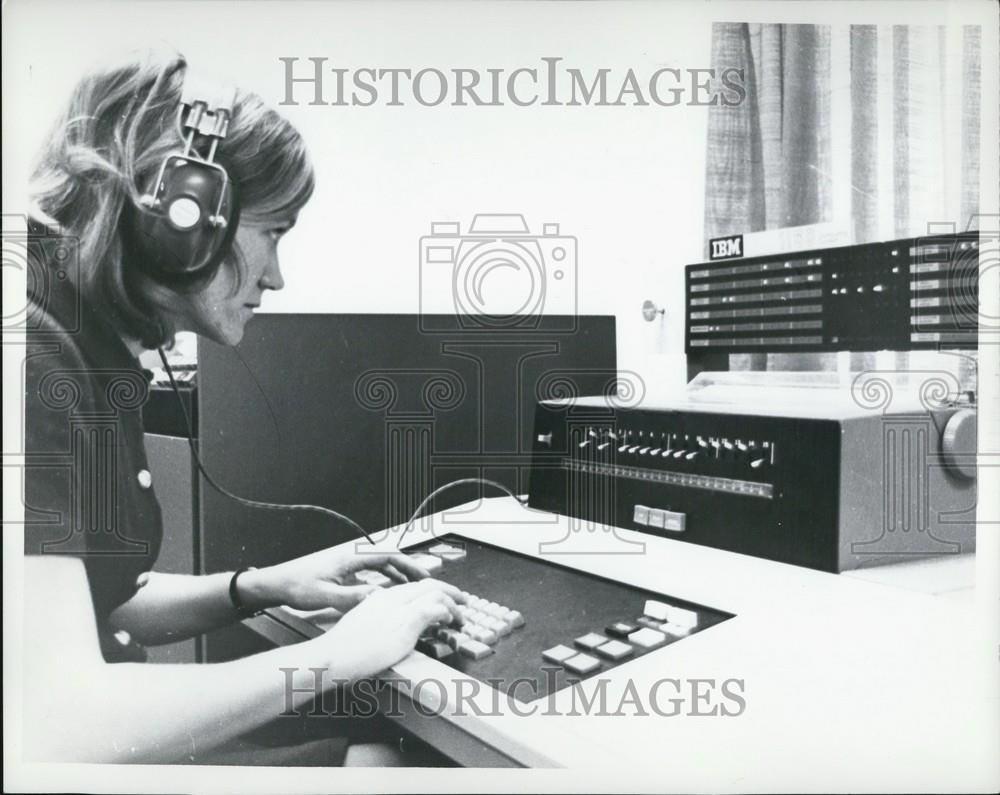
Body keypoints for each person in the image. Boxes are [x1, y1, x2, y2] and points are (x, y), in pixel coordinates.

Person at [21, 49, 465, 766]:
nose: (279, 276)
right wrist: (336, 657)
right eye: (276, 233)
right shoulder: (33, 360)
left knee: (382, 748)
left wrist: (257, 587)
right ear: (182, 216)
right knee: (397, 758)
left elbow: (98, 600)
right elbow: (59, 720)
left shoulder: (78, 345)